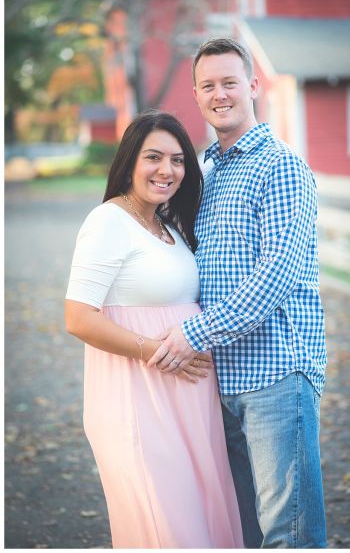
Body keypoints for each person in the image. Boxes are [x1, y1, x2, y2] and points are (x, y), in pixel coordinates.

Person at [146, 37, 327, 548]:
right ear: (197, 95)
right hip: (216, 380)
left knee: (288, 534)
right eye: (208, 86)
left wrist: (193, 334)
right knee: (243, 531)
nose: (219, 94)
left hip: (274, 375)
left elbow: (277, 275)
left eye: (229, 82)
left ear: (252, 86)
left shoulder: (281, 166)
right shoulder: (203, 172)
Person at [64, 111, 243, 547]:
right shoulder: (108, 222)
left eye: (178, 160)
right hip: (139, 401)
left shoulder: (167, 227)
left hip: (191, 405)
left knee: (204, 526)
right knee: (169, 530)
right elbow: (78, 316)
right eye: (154, 157)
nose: (167, 170)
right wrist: (154, 351)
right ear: (129, 161)